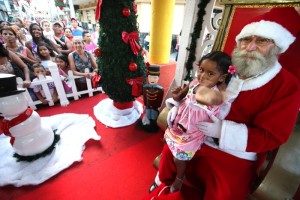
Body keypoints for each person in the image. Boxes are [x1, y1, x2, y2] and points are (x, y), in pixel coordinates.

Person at [147, 7, 300, 200]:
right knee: (171, 150)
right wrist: (178, 107)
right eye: (246, 39)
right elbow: (196, 89)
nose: (250, 47)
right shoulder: (225, 67)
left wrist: (223, 131)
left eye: (261, 41)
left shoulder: (286, 85)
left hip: (234, 151)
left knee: (223, 189)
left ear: (277, 46)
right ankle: (164, 185)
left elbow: (272, 135)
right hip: (195, 133)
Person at [164, 51, 233, 193]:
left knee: (179, 160)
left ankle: (179, 178)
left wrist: (203, 91)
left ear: (222, 77)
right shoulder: (195, 82)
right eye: (201, 70)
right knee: (170, 147)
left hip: (194, 131)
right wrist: (178, 96)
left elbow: (208, 99)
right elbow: (183, 96)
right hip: (181, 122)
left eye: (210, 73)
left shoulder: (217, 94)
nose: (202, 75)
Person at [137, 65, 164, 132]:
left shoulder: (160, 89)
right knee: (148, 115)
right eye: (150, 77)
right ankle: (148, 124)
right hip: (148, 106)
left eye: (155, 78)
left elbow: (160, 99)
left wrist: (157, 106)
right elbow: (145, 97)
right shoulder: (145, 87)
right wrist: (145, 104)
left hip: (155, 107)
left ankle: (153, 124)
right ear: (148, 77)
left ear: (158, 78)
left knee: (154, 116)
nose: (152, 80)